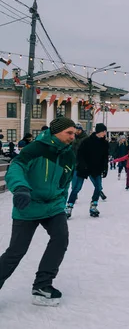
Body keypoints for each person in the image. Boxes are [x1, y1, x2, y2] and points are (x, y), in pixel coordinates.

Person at [0, 117, 76, 306]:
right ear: (56, 132)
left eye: (74, 133)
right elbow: (15, 168)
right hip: (28, 204)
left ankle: (42, 286)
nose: (73, 137)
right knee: (16, 251)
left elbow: (64, 183)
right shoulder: (35, 149)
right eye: (69, 132)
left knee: (61, 238)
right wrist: (21, 188)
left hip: (53, 206)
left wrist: (61, 201)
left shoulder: (68, 155)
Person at [71, 123, 109, 217]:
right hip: (84, 168)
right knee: (76, 188)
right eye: (104, 131)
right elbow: (80, 154)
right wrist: (82, 165)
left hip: (96, 168)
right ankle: (69, 206)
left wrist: (105, 168)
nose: (105, 133)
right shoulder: (87, 141)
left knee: (98, 187)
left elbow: (105, 157)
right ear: (99, 131)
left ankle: (94, 205)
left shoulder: (104, 143)